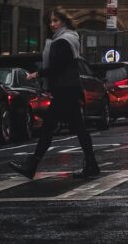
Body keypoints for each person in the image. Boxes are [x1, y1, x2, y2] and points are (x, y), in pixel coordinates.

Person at [10, 9, 100, 180]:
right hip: (71, 88)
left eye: (56, 21)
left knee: (49, 128)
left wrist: (38, 74)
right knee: (78, 128)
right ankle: (91, 164)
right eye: (50, 21)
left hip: (65, 89)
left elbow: (58, 67)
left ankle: (32, 165)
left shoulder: (61, 41)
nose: (52, 24)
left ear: (64, 22)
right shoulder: (71, 38)